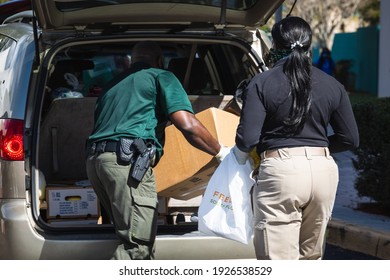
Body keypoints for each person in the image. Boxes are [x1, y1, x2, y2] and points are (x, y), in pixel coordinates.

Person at [85, 41, 229, 260]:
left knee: (134, 237)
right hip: (125, 163)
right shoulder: (162, 76)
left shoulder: (112, 85)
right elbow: (187, 124)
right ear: (160, 61)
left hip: (97, 163)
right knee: (137, 248)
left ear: (132, 61)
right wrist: (221, 152)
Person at [233, 16, 359, 260]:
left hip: (281, 171)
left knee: (280, 262)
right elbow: (350, 139)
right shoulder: (333, 84)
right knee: (311, 259)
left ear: (275, 46)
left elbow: (247, 139)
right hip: (324, 171)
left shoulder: (261, 82)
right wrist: (316, 147)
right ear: (309, 45)